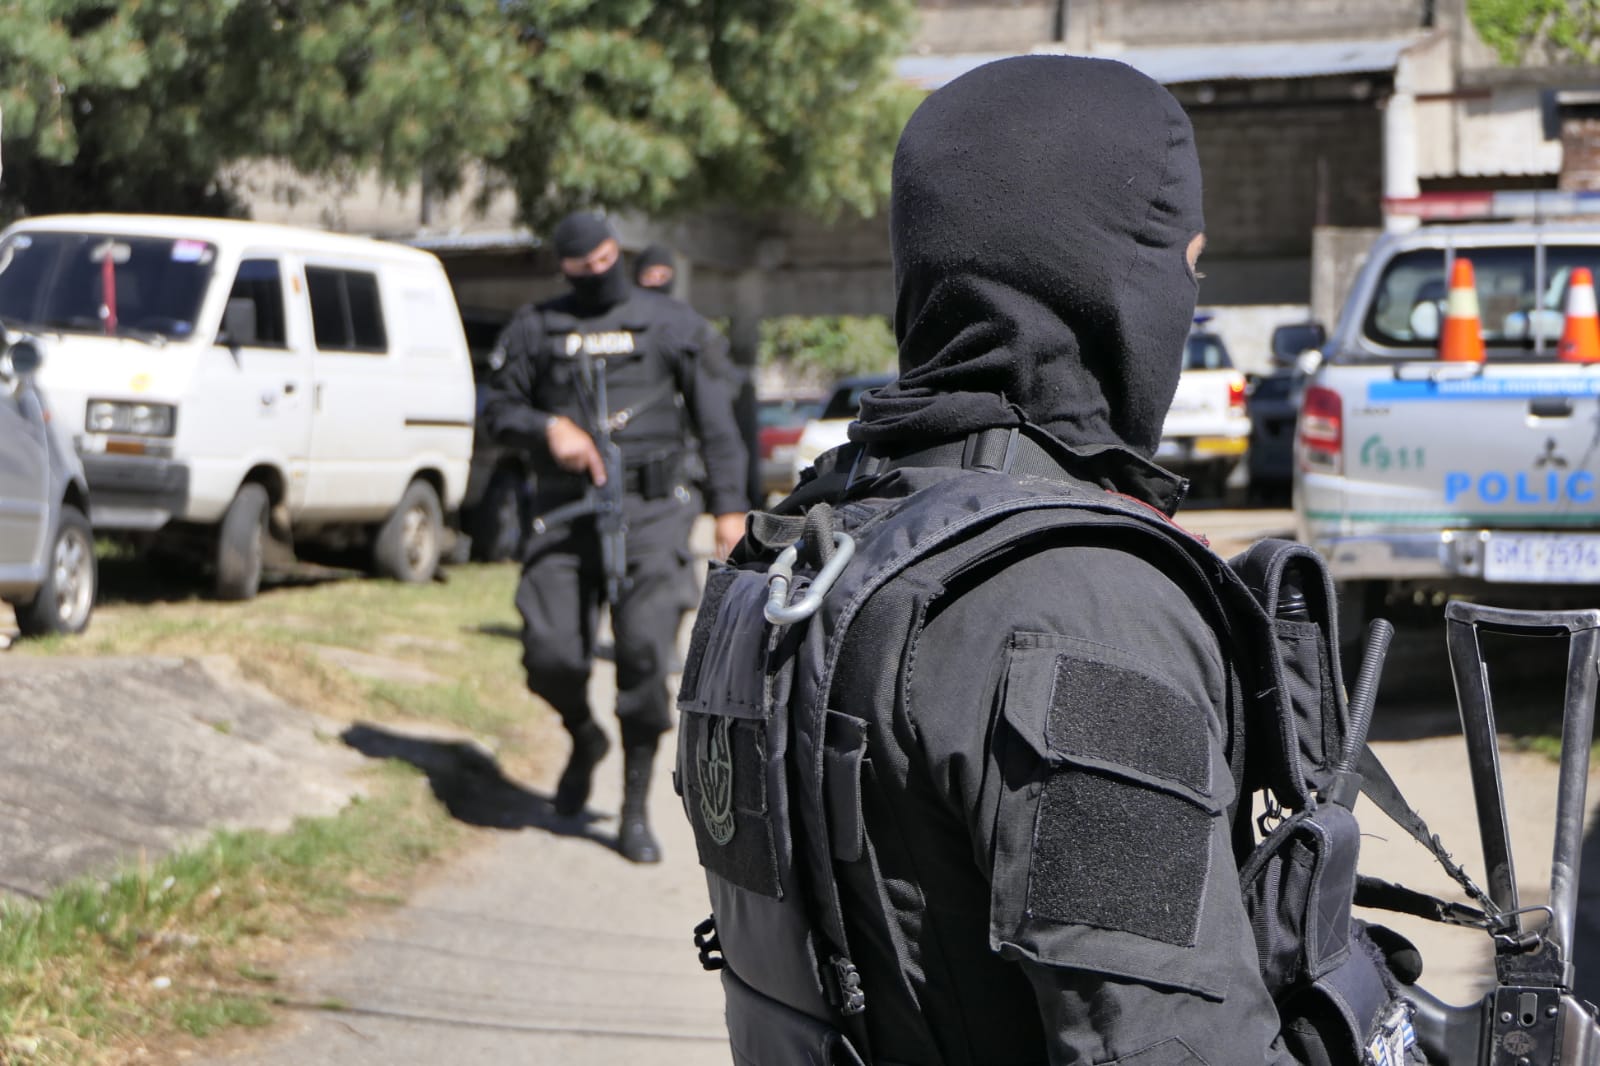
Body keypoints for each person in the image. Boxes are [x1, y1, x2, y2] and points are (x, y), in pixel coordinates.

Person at [679, 56, 1306, 1063]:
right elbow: (1170, 1047)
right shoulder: (1080, 602)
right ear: (1107, 278)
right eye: (1183, 265)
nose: (1186, 299)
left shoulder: (807, 542)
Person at [483, 211, 747, 864]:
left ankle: (631, 808)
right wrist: (548, 430)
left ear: (617, 254)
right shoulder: (536, 328)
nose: (600, 275)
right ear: (566, 268)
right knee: (550, 654)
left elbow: (718, 421)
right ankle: (581, 734)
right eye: (584, 269)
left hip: (653, 513)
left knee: (642, 656)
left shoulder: (671, 324)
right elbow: (496, 409)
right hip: (564, 511)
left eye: (608, 262)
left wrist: (731, 509)